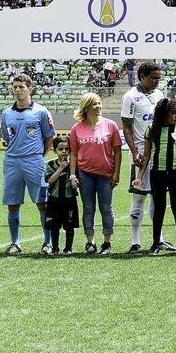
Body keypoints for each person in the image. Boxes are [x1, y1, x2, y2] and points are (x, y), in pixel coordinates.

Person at [0, 73, 54, 254]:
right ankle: (15, 243)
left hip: (34, 161)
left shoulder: (41, 111)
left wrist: (39, 156)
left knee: (43, 203)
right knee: (13, 204)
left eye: (21, 87)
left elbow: (49, 137)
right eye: (15, 87)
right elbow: (6, 137)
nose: (17, 90)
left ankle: (48, 243)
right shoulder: (6, 113)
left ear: (30, 89)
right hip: (12, 162)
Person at [121, 61, 168, 255]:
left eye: (159, 78)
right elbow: (126, 126)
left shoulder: (159, 95)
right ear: (142, 77)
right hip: (141, 154)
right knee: (138, 197)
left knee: (158, 198)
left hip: (160, 154)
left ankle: (159, 239)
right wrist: (134, 152)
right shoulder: (130, 97)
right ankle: (135, 242)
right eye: (154, 78)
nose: (158, 81)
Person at [136, 96, 176, 256]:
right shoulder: (152, 128)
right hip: (157, 173)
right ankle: (155, 244)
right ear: (163, 113)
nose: (175, 116)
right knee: (159, 209)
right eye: (172, 113)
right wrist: (139, 177)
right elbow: (146, 156)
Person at [70, 92, 123, 255]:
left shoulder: (110, 125)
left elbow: (117, 151)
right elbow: (73, 154)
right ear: (86, 107)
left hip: (106, 174)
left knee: (106, 208)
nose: (98, 106)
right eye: (94, 104)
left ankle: (107, 243)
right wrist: (73, 175)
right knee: (88, 208)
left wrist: (116, 173)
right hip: (85, 174)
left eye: (99, 103)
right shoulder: (76, 128)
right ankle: (90, 242)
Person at [43, 135, 78, 255]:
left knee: (69, 226)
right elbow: (50, 180)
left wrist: (75, 184)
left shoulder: (73, 165)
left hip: (69, 200)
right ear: (55, 150)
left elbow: (77, 180)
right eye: (60, 149)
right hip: (54, 200)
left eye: (67, 149)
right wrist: (61, 168)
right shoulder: (51, 165)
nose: (64, 151)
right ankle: (55, 248)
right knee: (54, 226)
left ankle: (68, 248)